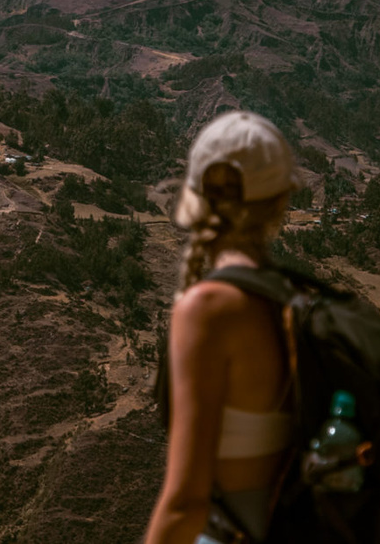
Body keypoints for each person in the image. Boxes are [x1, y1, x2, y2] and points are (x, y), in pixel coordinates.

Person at [145, 110, 302, 544]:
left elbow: (186, 502)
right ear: (281, 202)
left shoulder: (209, 310)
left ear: (197, 194)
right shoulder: (296, 301)